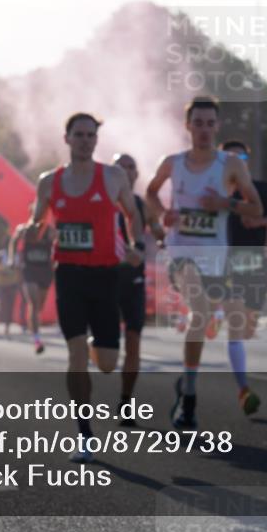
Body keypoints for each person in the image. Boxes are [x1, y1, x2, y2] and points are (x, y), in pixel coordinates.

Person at [145, 96, 263, 429]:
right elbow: (151, 193)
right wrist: (163, 213)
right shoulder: (172, 163)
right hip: (181, 254)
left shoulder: (231, 165)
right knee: (200, 313)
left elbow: (256, 208)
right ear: (188, 126)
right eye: (198, 123)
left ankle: (186, 385)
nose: (204, 130)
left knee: (204, 318)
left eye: (210, 123)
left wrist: (225, 203)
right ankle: (190, 399)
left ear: (217, 126)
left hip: (215, 258)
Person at [31, 112, 142, 462]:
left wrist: (136, 244)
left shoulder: (112, 177)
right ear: (66, 139)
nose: (85, 140)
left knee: (107, 363)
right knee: (75, 355)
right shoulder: (49, 182)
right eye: (78, 135)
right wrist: (33, 230)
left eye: (90, 135)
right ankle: (85, 435)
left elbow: (132, 214)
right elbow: (38, 221)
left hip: (105, 275)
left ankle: (95, 344)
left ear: (97, 139)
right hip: (69, 275)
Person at [221, 139, 267, 414]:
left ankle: (220, 316)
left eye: (242, 158)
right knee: (236, 325)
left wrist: (259, 221)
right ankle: (243, 389)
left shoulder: (261, 189)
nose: (236, 163)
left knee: (248, 327)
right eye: (230, 157)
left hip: (254, 262)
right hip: (224, 264)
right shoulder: (216, 192)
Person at [112, 152, 165, 426]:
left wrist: (165, 232)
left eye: (131, 167)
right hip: (104, 280)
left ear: (136, 174)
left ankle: (126, 402)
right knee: (106, 349)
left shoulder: (142, 206)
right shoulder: (102, 203)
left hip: (133, 281)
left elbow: (158, 232)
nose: (126, 171)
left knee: (133, 342)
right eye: (120, 167)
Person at [12, 207, 55, 354]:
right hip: (29, 270)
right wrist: (12, 259)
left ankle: (34, 323)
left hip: (45, 271)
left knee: (39, 306)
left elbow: (58, 242)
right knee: (33, 302)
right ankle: (37, 339)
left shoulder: (49, 231)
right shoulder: (23, 229)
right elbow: (13, 241)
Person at [0, 242, 22, 340]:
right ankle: (1, 315)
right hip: (2, 284)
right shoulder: (0, 255)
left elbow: (20, 269)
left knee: (10, 305)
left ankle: (7, 325)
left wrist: (19, 282)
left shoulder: (17, 255)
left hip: (12, 284)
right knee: (3, 304)